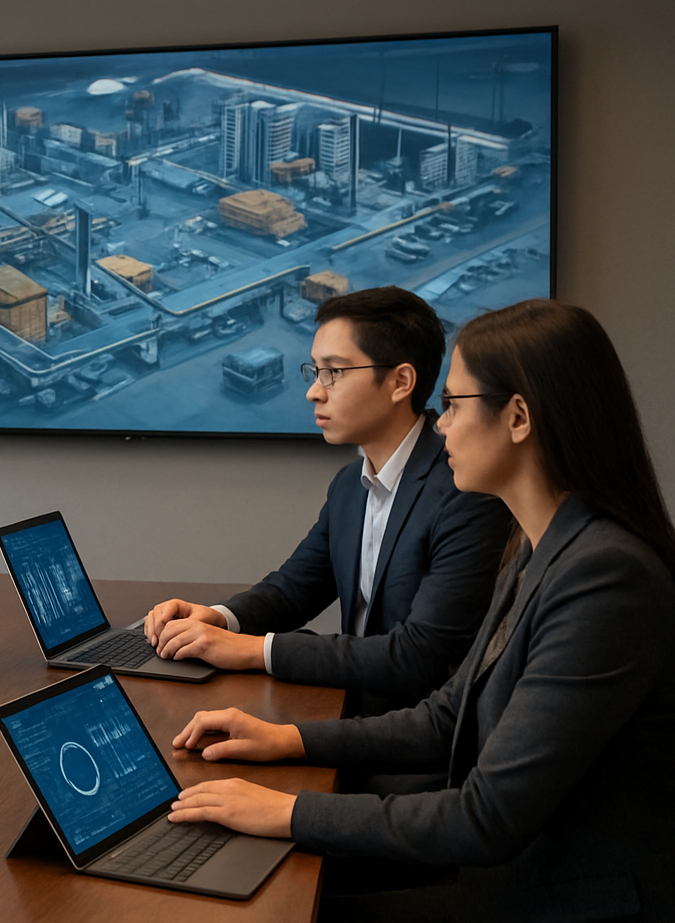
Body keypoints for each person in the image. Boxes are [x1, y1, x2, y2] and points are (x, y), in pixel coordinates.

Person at [168, 299, 675, 921]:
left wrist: (287, 811)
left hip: (559, 900)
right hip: (506, 875)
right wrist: (284, 738)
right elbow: (445, 717)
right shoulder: (537, 546)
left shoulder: (605, 576)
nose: (441, 425)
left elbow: (486, 817)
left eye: (454, 405)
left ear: (518, 417)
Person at [144, 287, 512, 714]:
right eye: (315, 371)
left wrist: (250, 650)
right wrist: (219, 618)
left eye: (333, 373)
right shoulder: (349, 485)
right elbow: (293, 590)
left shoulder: (465, 492)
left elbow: (418, 656)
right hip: (350, 707)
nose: (314, 392)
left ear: (401, 382)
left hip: (416, 733)